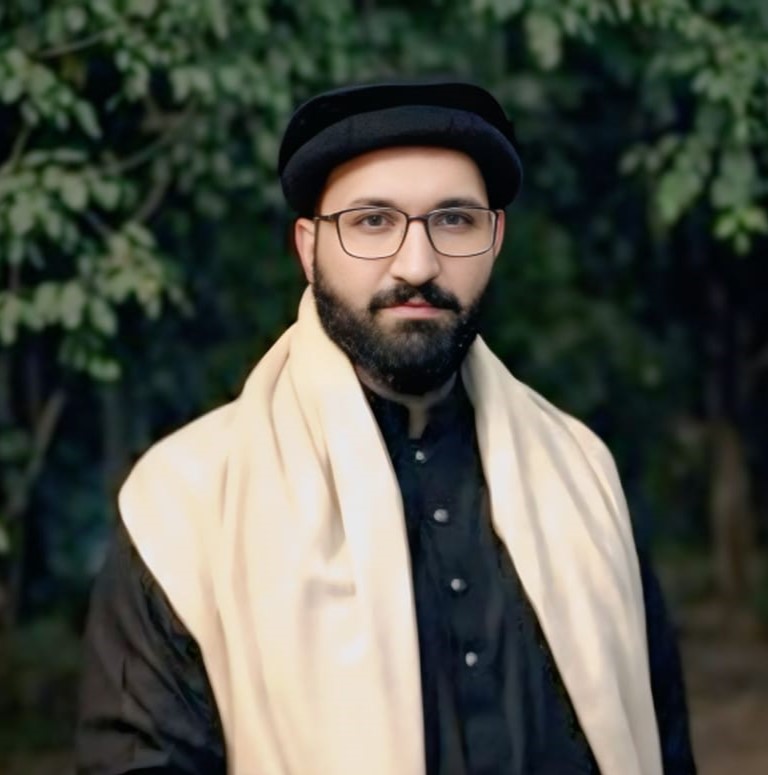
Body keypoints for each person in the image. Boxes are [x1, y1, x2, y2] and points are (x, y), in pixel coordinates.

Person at [76, 81, 697, 775]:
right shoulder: (188, 501)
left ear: (495, 240)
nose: (418, 265)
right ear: (309, 248)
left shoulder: (580, 470)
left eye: (454, 220)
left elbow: (663, 742)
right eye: (373, 221)